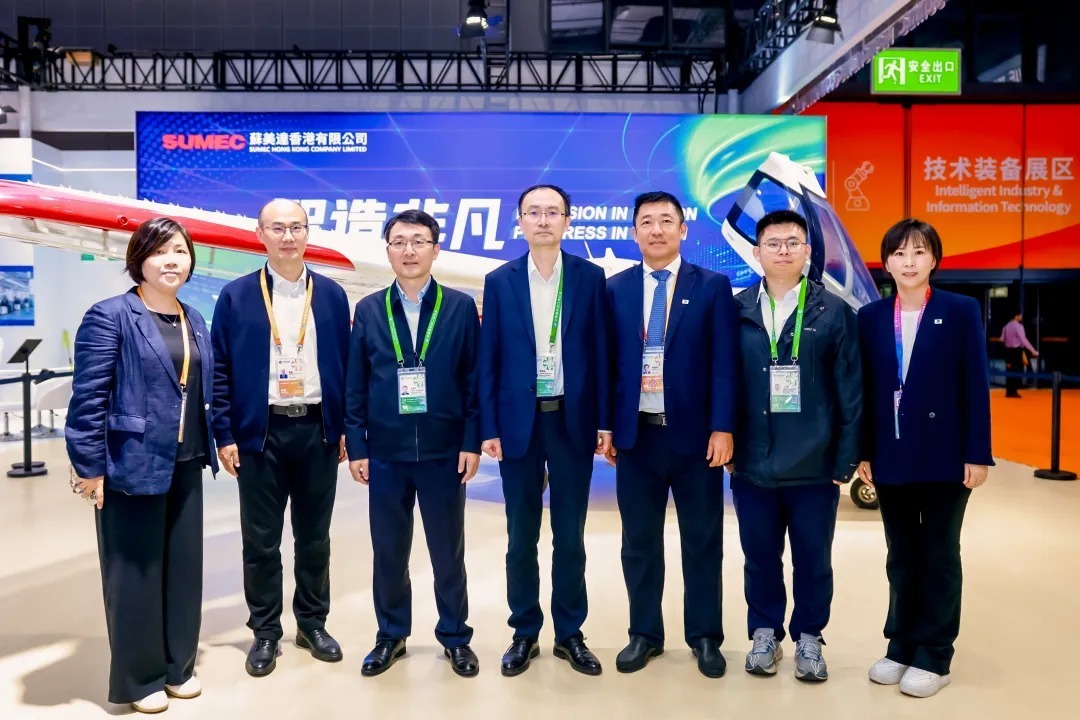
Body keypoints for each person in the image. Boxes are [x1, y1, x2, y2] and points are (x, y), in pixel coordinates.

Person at [66, 217, 217, 713]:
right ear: (139, 259)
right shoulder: (110, 315)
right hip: (130, 464)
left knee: (183, 572)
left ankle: (179, 667)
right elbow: (88, 399)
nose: (172, 261)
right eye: (160, 251)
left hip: (186, 462)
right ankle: (140, 678)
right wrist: (89, 467)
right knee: (134, 575)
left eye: (181, 251)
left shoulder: (193, 318)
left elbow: (203, 390)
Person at [211, 199, 351, 677]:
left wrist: (344, 428)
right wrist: (224, 432)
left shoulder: (331, 295)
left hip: (317, 431)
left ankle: (312, 623)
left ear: (308, 232)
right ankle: (266, 631)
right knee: (261, 541)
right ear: (260, 234)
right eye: (277, 228)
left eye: (296, 227)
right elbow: (221, 370)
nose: (288, 237)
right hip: (260, 434)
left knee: (314, 538)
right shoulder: (236, 296)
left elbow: (346, 368)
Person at [857, 218, 993, 698]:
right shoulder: (871, 317)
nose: (909, 261)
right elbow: (866, 390)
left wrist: (978, 453)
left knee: (939, 554)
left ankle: (935, 654)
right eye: (899, 253)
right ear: (886, 262)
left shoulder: (959, 310)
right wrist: (863, 451)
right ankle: (900, 645)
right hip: (891, 455)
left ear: (934, 258)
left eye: (919, 252)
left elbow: (975, 384)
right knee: (901, 555)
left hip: (945, 456)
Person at [478, 184, 610, 677]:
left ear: (567, 220)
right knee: (521, 537)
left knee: (570, 536)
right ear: (520, 221)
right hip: (519, 423)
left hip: (571, 421)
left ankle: (570, 633)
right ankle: (524, 632)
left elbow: (600, 353)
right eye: (533, 212)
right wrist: (489, 425)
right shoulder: (500, 280)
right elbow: (489, 357)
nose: (543, 220)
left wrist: (603, 421)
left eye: (553, 212)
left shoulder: (589, 277)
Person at [605, 191, 738, 678]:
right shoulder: (614, 289)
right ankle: (644, 634)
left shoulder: (712, 286)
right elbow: (606, 364)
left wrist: (723, 426)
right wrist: (606, 425)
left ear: (683, 229)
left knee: (702, 541)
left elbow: (724, 363)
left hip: (696, 439)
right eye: (647, 221)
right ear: (634, 232)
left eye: (666, 220)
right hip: (636, 438)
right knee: (639, 543)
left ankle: (704, 636)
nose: (656, 229)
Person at [345, 210, 482, 678]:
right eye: (399, 241)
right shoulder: (369, 310)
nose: (409, 250)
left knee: (448, 553)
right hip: (386, 453)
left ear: (435, 249)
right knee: (388, 552)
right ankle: (391, 635)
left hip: (445, 453)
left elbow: (473, 382)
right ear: (388, 250)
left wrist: (471, 442)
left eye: (419, 241)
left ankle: (456, 637)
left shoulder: (459, 308)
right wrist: (358, 447)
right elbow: (355, 384)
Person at [729, 210, 861, 682]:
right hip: (752, 463)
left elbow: (850, 391)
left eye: (792, 242)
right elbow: (723, 385)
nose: (782, 250)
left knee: (813, 559)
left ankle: (809, 636)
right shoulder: (736, 310)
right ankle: (764, 632)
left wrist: (845, 458)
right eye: (773, 243)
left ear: (807, 251)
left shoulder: (834, 312)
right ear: (756, 252)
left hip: (814, 466)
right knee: (759, 557)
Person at [1001, 311, 1037, 398]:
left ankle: (1009, 391)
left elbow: (1002, 339)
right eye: (1020, 315)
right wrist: (1032, 350)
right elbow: (1023, 340)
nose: (1021, 316)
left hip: (1008, 350)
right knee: (1017, 370)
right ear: (1016, 316)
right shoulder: (1019, 326)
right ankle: (1014, 391)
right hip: (1016, 351)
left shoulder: (1006, 326)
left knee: (1009, 371)